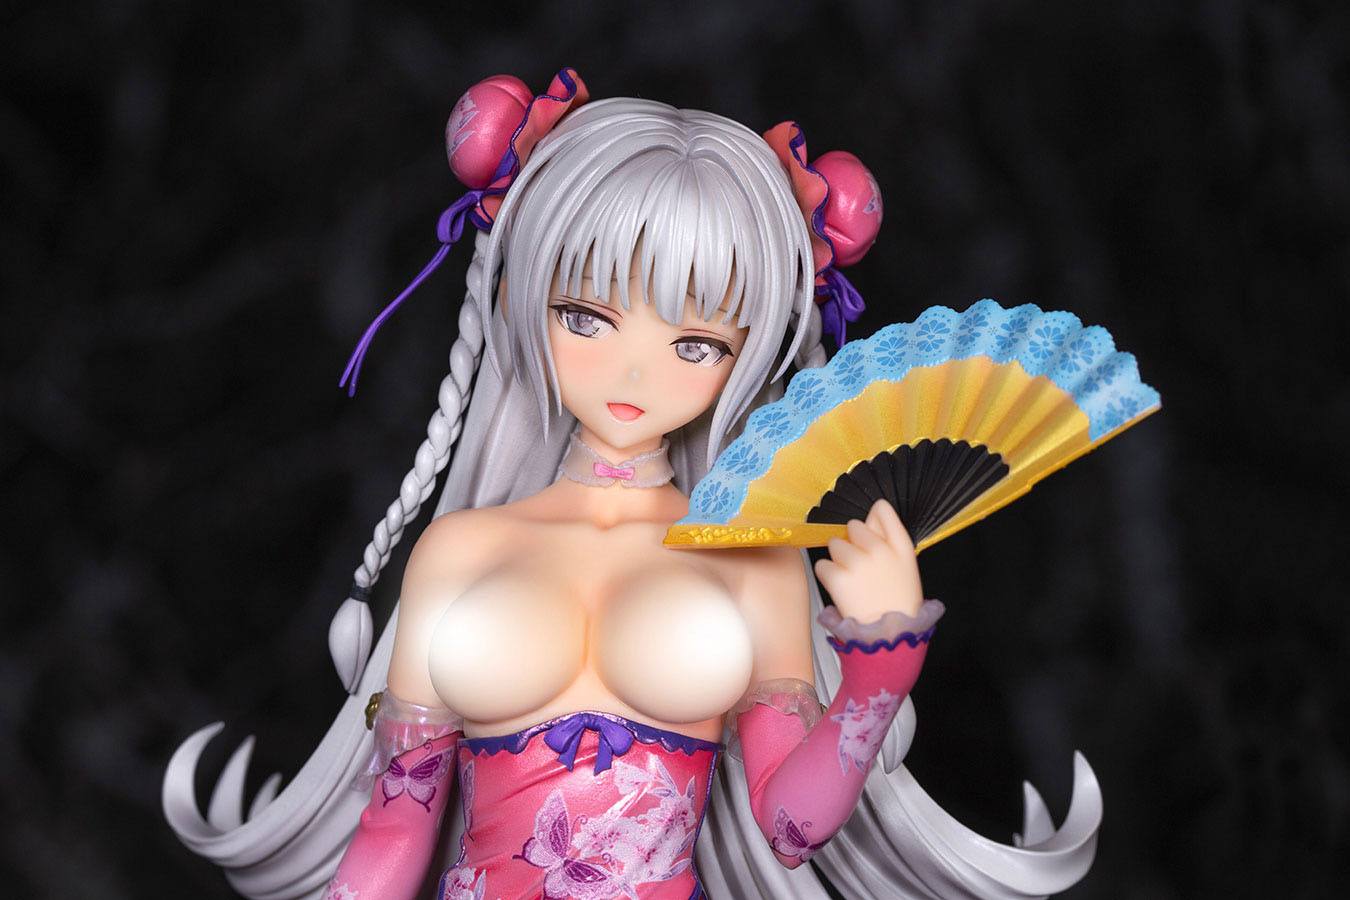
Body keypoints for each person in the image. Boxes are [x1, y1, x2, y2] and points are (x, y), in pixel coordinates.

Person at [164, 69, 1101, 899]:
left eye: (696, 343)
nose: (635, 372)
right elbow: (394, 830)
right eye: (586, 316)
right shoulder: (460, 551)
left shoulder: (752, 561)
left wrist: (878, 670)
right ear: (524, 297)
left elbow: (789, 828)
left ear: (747, 354)